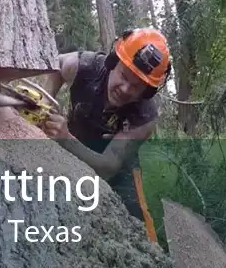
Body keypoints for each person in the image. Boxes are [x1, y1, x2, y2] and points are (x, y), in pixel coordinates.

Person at [38, 28, 172, 243]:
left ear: (147, 92)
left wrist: (65, 139)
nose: (125, 89)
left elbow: (109, 166)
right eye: (123, 76)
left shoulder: (144, 118)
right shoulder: (86, 66)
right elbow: (57, 66)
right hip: (74, 142)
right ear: (112, 62)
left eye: (136, 87)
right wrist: (44, 104)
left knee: (137, 222)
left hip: (118, 166)